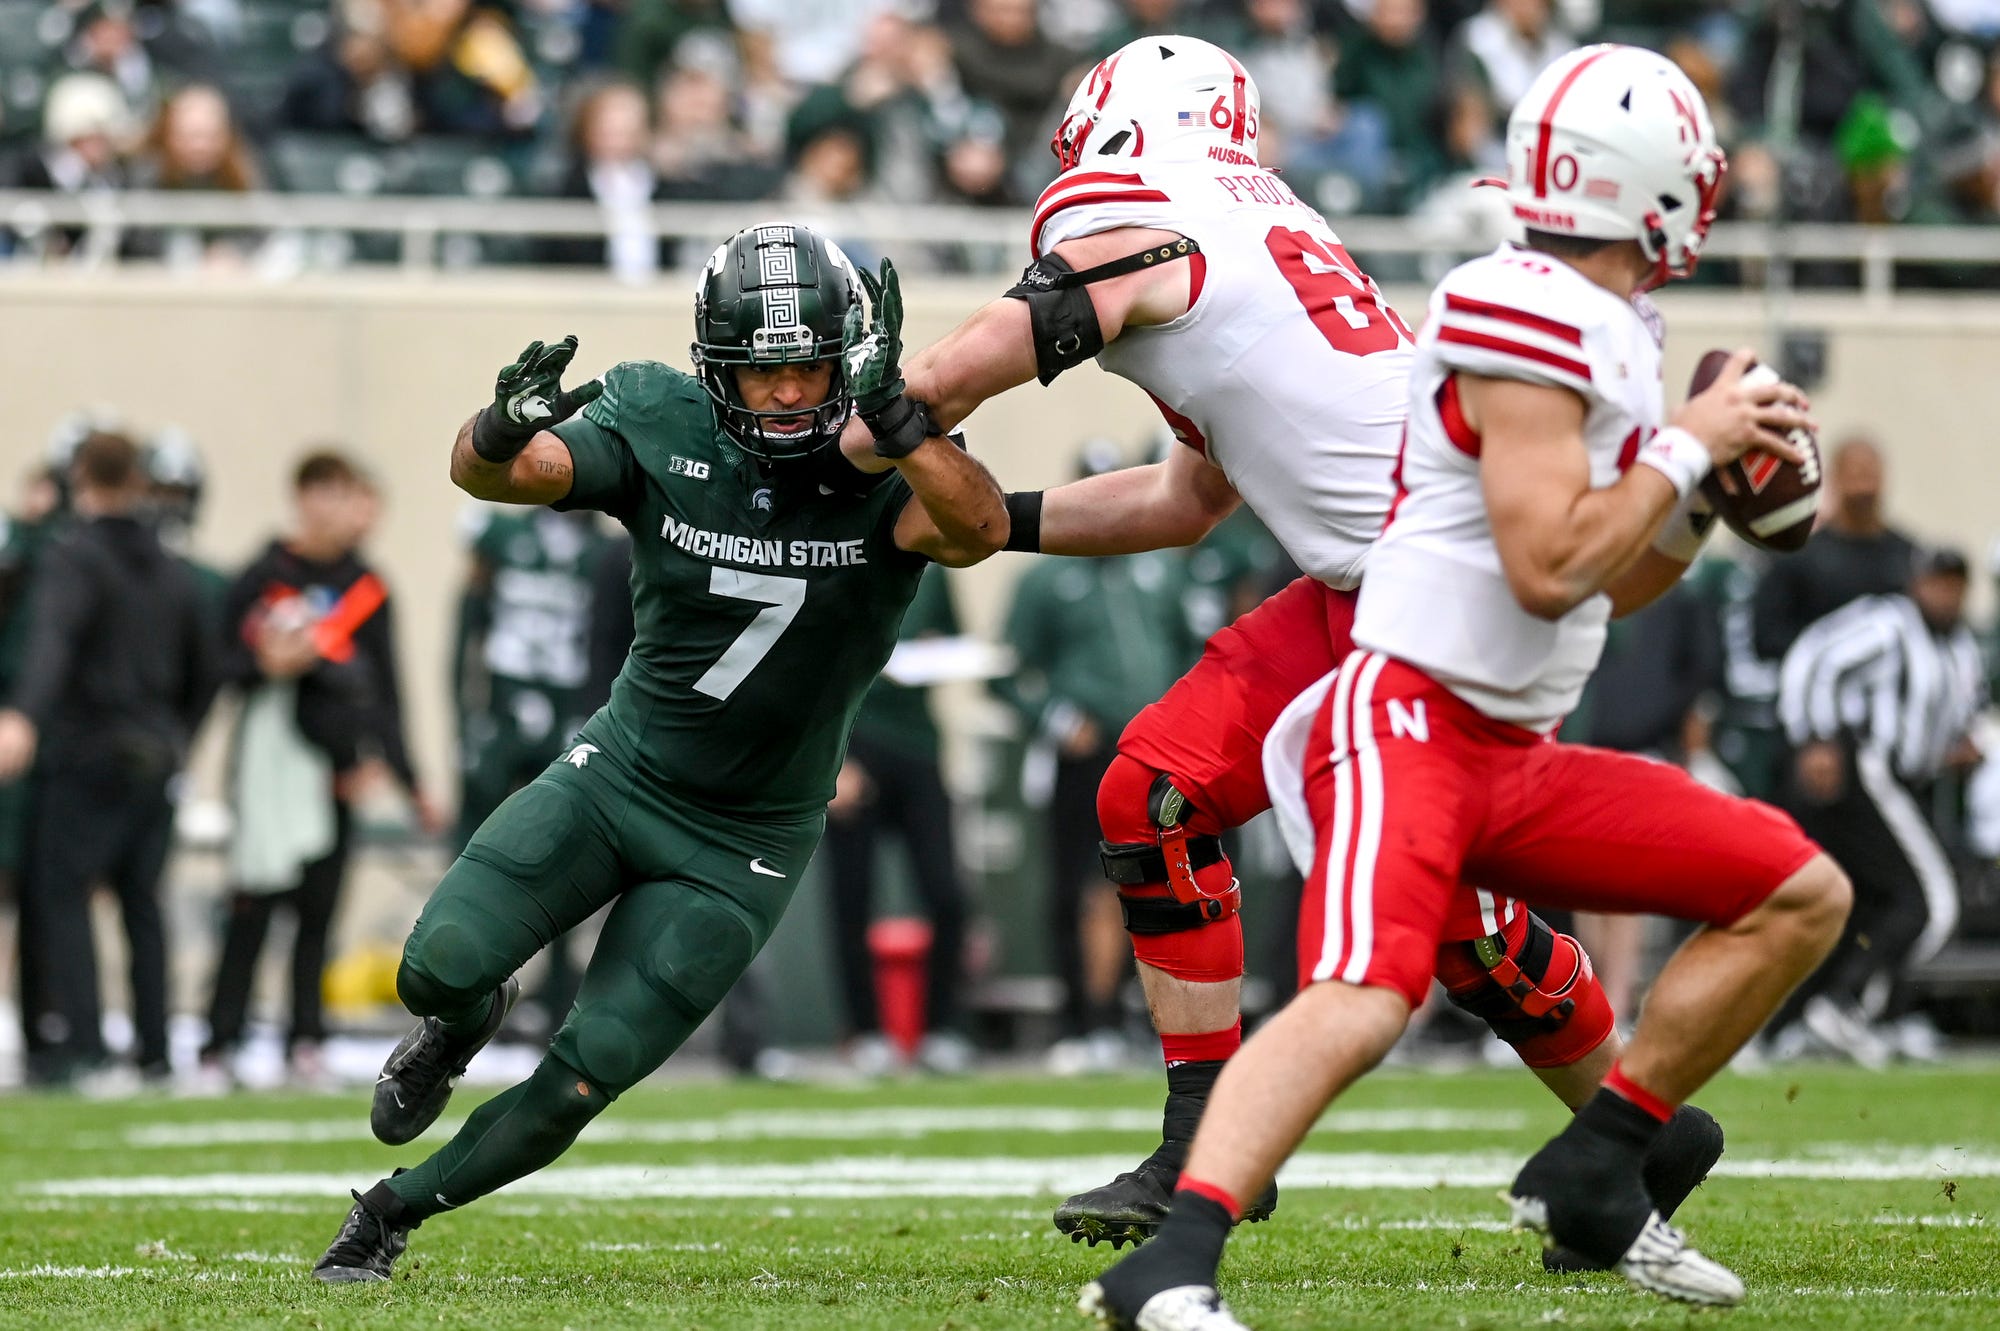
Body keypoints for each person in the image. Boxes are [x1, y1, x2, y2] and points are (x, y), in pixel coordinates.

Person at [875, 34, 1725, 1261]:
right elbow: (1187, 502)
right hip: (1370, 575)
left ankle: (1635, 1125)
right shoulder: (1249, 227)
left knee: (1444, 910)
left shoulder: (1132, 203)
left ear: (1111, 113)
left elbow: (1048, 316)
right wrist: (1000, 520)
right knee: (1152, 789)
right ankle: (1204, 1135)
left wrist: (891, 415)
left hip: (1428, 588)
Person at [1081, 46, 1854, 1327]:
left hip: (1515, 744)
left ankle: (1606, 1156)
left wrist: (1701, 504)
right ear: (1647, 185)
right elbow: (1547, 565)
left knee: (1796, 893)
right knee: (1362, 996)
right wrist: (1684, 449)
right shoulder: (1516, 308)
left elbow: (1613, 577)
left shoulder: (1611, 327)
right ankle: (1171, 1259)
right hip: (1407, 729)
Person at [311, 222, 1004, 1281]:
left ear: (847, 358)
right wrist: (497, 426)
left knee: (592, 1066)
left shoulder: (884, 454)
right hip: (621, 774)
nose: (781, 395)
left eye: (805, 367)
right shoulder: (660, 415)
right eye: (759, 371)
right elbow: (495, 474)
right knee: (435, 964)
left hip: (746, 837)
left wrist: (906, 425)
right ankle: (460, 1022)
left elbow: (975, 526)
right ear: (712, 369)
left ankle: (387, 1213)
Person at [197, 452, 436, 1090]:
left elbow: (385, 691)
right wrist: (265, 663)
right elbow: (219, 663)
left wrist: (406, 777)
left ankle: (306, 1038)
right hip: (269, 767)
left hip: (333, 770)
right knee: (252, 905)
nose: (350, 512)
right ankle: (220, 1040)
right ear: (305, 497)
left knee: (318, 910)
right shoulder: (262, 575)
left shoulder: (367, 586)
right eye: (334, 495)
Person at [0, 431, 218, 1087]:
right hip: (155, 754)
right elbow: (204, 669)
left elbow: (55, 640)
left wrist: (25, 715)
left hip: (87, 751)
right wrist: (179, 734)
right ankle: (155, 1047)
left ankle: (87, 1044)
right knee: (140, 902)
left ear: (82, 478)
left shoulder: (77, 555)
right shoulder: (171, 564)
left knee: (61, 898)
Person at [994, 443, 1194, 1074]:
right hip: (1085, 752)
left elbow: (1194, 652)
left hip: (1157, 749)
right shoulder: (1048, 578)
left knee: (1170, 880)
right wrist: (1056, 717)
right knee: (1080, 886)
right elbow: (1006, 673)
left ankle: (1152, 1018)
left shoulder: (1160, 569)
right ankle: (1085, 1020)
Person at [1771, 546, 1986, 1066]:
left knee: (1865, 905)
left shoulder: (1962, 647)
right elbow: (1813, 659)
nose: (1946, 594)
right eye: (1938, 582)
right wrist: (1814, 737)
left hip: (1909, 781)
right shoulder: (1887, 624)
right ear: (1917, 582)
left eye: (1955, 584)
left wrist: (1957, 745)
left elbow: (1951, 716)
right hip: (1865, 769)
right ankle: (1846, 1008)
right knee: (1932, 901)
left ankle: (1830, 1014)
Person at [825, 564, 977, 1076]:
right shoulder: (836, 556)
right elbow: (809, 661)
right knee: (852, 898)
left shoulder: (933, 567)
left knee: (946, 894)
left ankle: (940, 1029)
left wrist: (939, 651)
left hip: (919, 745)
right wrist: (831, 759)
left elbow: (956, 641)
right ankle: (865, 1033)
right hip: (854, 742)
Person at [1752, 435, 1918, 661]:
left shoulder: (1907, 555)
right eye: (1856, 476)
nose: (1865, 488)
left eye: (1872, 476)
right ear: (1834, 479)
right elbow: (1768, 636)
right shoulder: (1799, 557)